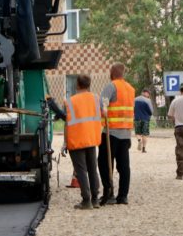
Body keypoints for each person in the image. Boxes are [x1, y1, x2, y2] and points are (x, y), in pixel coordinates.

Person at [98, 63, 135, 205]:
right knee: (124, 165)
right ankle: (123, 195)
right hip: (125, 132)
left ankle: (108, 192)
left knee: (104, 163)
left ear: (112, 73)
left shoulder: (111, 86)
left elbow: (102, 106)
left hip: (111, 132)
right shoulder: (130, 89)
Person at [64, 75, 102, 209]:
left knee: (81, 171)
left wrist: (65, 142)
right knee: (92, 168)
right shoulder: (96, 99)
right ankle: (95, 199)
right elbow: (103, 114)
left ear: (77, 85)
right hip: (92, 138)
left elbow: (67, 123)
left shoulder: (70, 101)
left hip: (76, 139)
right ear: (89, 85)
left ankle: (86, 200)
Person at [134, 88, 153, 153]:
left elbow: (132, 109)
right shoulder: (148, 100)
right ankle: (144, 149)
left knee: (137, 133)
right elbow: (151, 111)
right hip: (145, 119)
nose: (148, 95)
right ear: (145, 93)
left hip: (137, 119)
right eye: (148, 94)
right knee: (145, 134)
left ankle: (139, 140)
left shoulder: (135, 99)